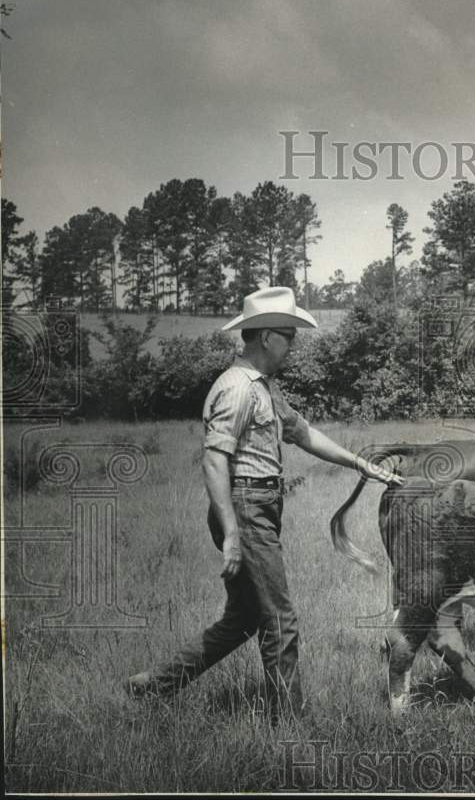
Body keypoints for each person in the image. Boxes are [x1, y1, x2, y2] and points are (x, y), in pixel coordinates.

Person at [126, 286, 401, 722]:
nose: (293, 346)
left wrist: (359, 463)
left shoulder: (265, 389)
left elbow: (304, 433)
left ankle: (155, 685)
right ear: (269, 337)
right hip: (246, 507)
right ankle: (290, 724)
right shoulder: (236, 388)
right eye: (290, 336)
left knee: (243, 619)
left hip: (260, 506)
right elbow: (215, 461)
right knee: (281, 618)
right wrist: (232, 533)